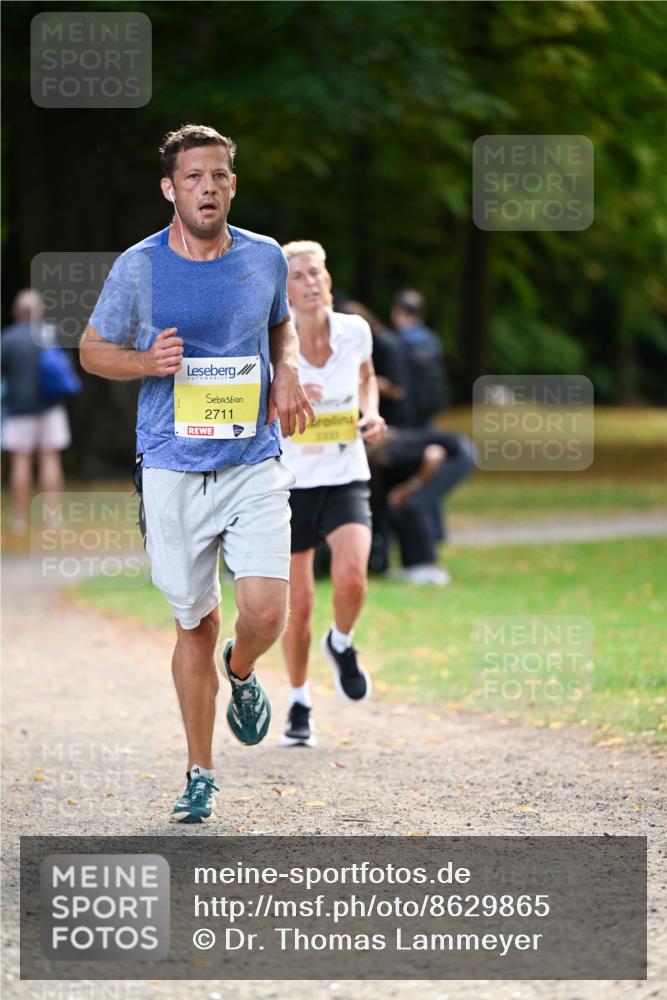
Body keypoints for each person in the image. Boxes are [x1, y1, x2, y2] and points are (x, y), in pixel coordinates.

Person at [79, 125, 314, 823]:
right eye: (193, 177)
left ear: (232, 185)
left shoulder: (265, 256)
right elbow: (92, 349)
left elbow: (281, 325)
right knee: (194, 623)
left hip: (252, 459)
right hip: (171, 466)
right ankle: (199, 773)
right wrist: (144, 362)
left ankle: (241, 669)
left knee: (267, 610)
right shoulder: (139, 266)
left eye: (217, 176)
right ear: (170, 188)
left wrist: (288, 370)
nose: (206, 187)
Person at [278, 241, 386, 748]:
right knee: (298, 605)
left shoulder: (355, 330)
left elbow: (367, 377)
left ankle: (340, 642)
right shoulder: (274, 343)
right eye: (299, 276)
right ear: (284, 290)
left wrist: (372, 412)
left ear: (329, 279)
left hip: (345, 473)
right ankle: (299, 702)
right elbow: (256, 407)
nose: (311, 282)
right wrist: (289, 398)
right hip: (291, 482)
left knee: (352, 577)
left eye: (317, 272)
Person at [367, 427, 477, 585]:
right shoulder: (384, 460)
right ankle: (412, 566)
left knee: (415, 505)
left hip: (459, 454)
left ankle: (429, 570)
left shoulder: (393, 452)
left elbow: (434, 454)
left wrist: (410, 487)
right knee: (400, 507)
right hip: (451, 453)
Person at [1, 289, 71, 534]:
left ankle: (20, 519)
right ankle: (53, 519)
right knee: (50, 459)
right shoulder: (50, 335)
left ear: (16, 311)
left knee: (21, 461)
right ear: (39, 311)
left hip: (18, 409)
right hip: (51, 407)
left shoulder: (7, 339)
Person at [391, 289, 449, 428]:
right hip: (431, 408)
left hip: (405, 412)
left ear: (400, 312)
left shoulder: (398, 341)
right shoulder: (433, 339)